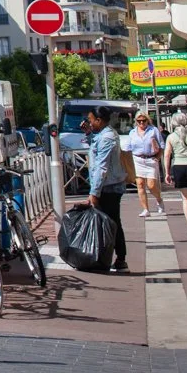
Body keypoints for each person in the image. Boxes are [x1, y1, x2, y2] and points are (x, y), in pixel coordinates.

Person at [82, 105, 129, 272]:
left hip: (109, 188)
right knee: (108, 224)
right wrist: (88, 134)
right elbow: (95, 151)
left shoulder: (107, 137)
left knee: (112, 223)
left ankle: (120, 259)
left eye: (91, 120)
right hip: (108, 186)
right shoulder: (103, 135)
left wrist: (94, 193)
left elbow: (102, 167)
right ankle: (105, 259)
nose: (89, 122)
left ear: (99, 120)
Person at [125, 110, 167, 219]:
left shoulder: (153, 130)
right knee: (140, 184)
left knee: (152, 185)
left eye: (144, 121)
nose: (141, 123)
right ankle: (145, 209)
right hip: (137, 159)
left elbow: (162, 145)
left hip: (150, 159)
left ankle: (159, 200)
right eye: (139, 121)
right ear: (136, 122)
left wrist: (157, 158)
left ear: (147, 121)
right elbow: (128, 148)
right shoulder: (132, 132)